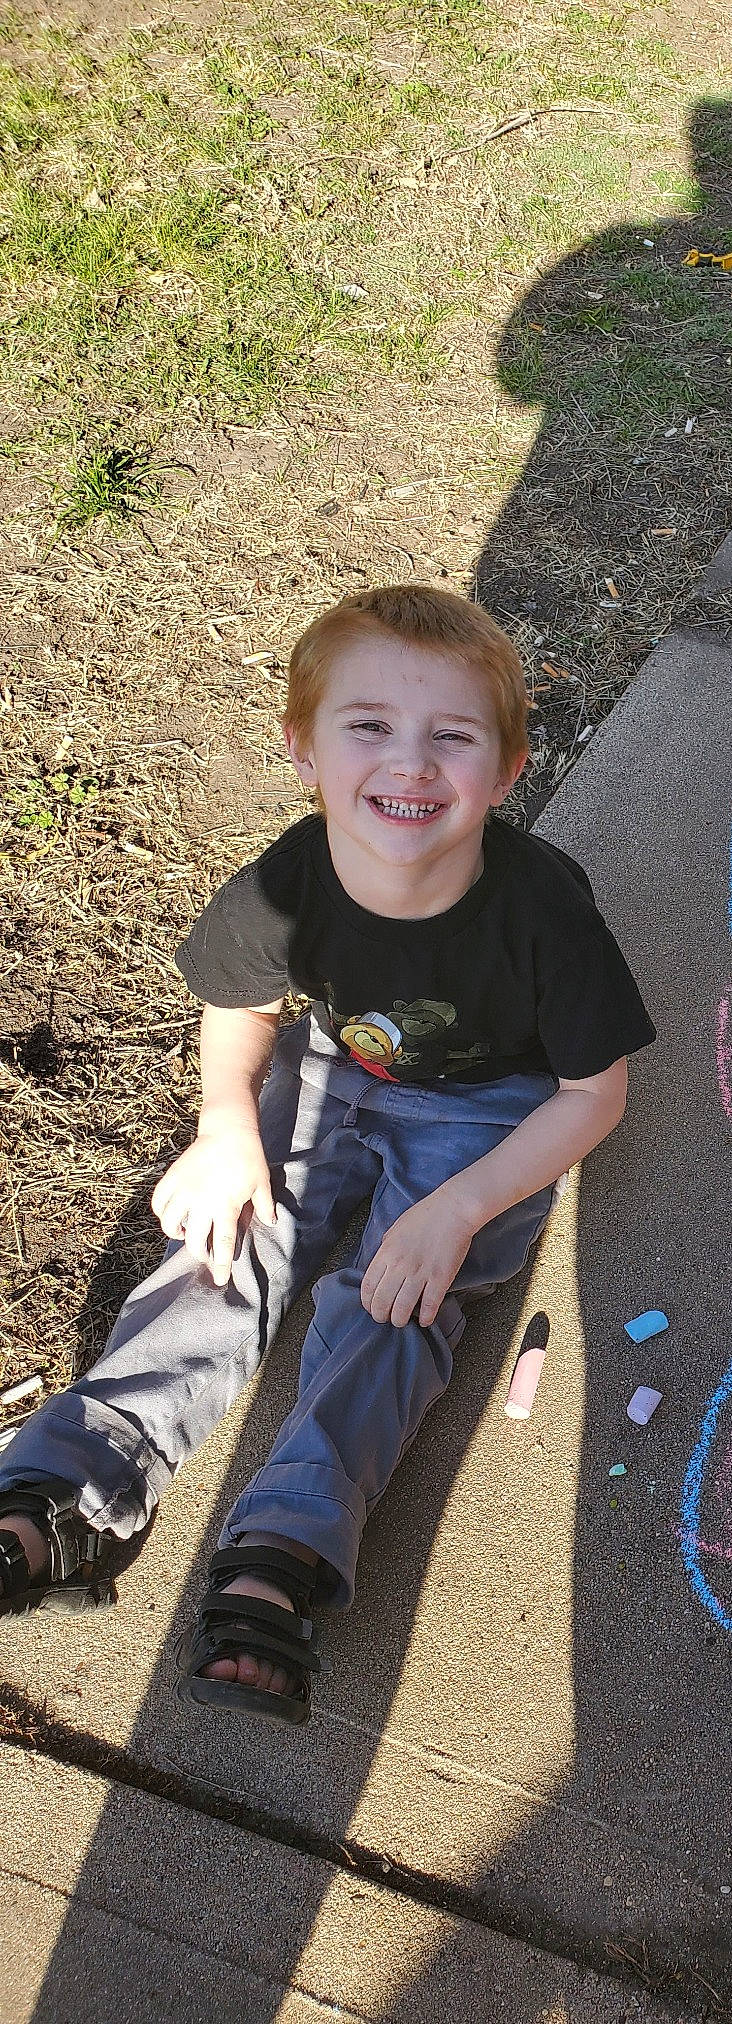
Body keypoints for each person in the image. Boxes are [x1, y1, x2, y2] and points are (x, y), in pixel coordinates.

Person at [0, 585, 655, 1724]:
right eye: (369, 726)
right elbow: (241, 1002)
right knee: (227, 1241)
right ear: (302, 746)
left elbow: (596, 1092)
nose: (410, 763)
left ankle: (287, 1542)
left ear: (507, 771)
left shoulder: (544, 913)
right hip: (337, 1071)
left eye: (453, 736)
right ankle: (69, 1482)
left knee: (393, 1298)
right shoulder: (290, 878)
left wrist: (459, 1209)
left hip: (493, 1111)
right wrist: (224, 1125)